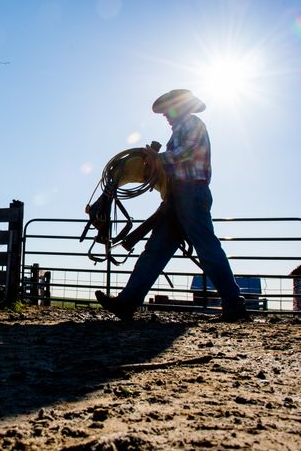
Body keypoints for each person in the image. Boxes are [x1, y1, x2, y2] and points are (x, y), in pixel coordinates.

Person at [95, 89, 250, 323]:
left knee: (206, 248)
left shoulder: (192, 123)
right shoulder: (181, 129)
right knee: (156, 250)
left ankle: (234, 305)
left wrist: (156, 158)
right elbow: (176, 157)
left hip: (191, 191)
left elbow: (184, 153)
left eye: (169, 109)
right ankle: (127, 302)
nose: (166, 115)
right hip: (179, 194)